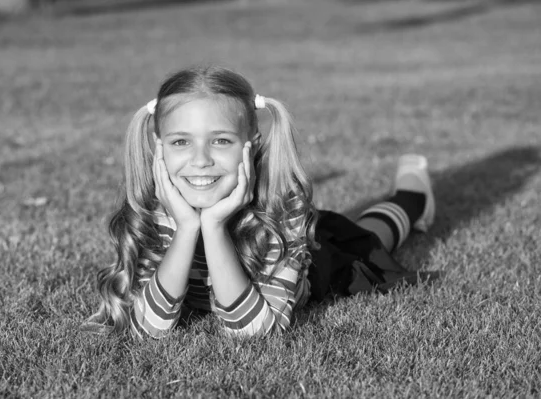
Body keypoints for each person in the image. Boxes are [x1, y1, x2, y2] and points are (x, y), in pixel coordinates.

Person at [85, 65, 438, 339]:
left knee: (369, 238)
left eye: (221, 141)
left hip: (317, 260)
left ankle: (412, 192)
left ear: (250, 144)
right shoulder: (152, 209)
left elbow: (254, 332)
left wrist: (214, 226)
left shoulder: (281, 210)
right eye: (180, 142)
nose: (200, 159)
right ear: (158, 146)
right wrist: (188, 228)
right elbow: (149, 329)